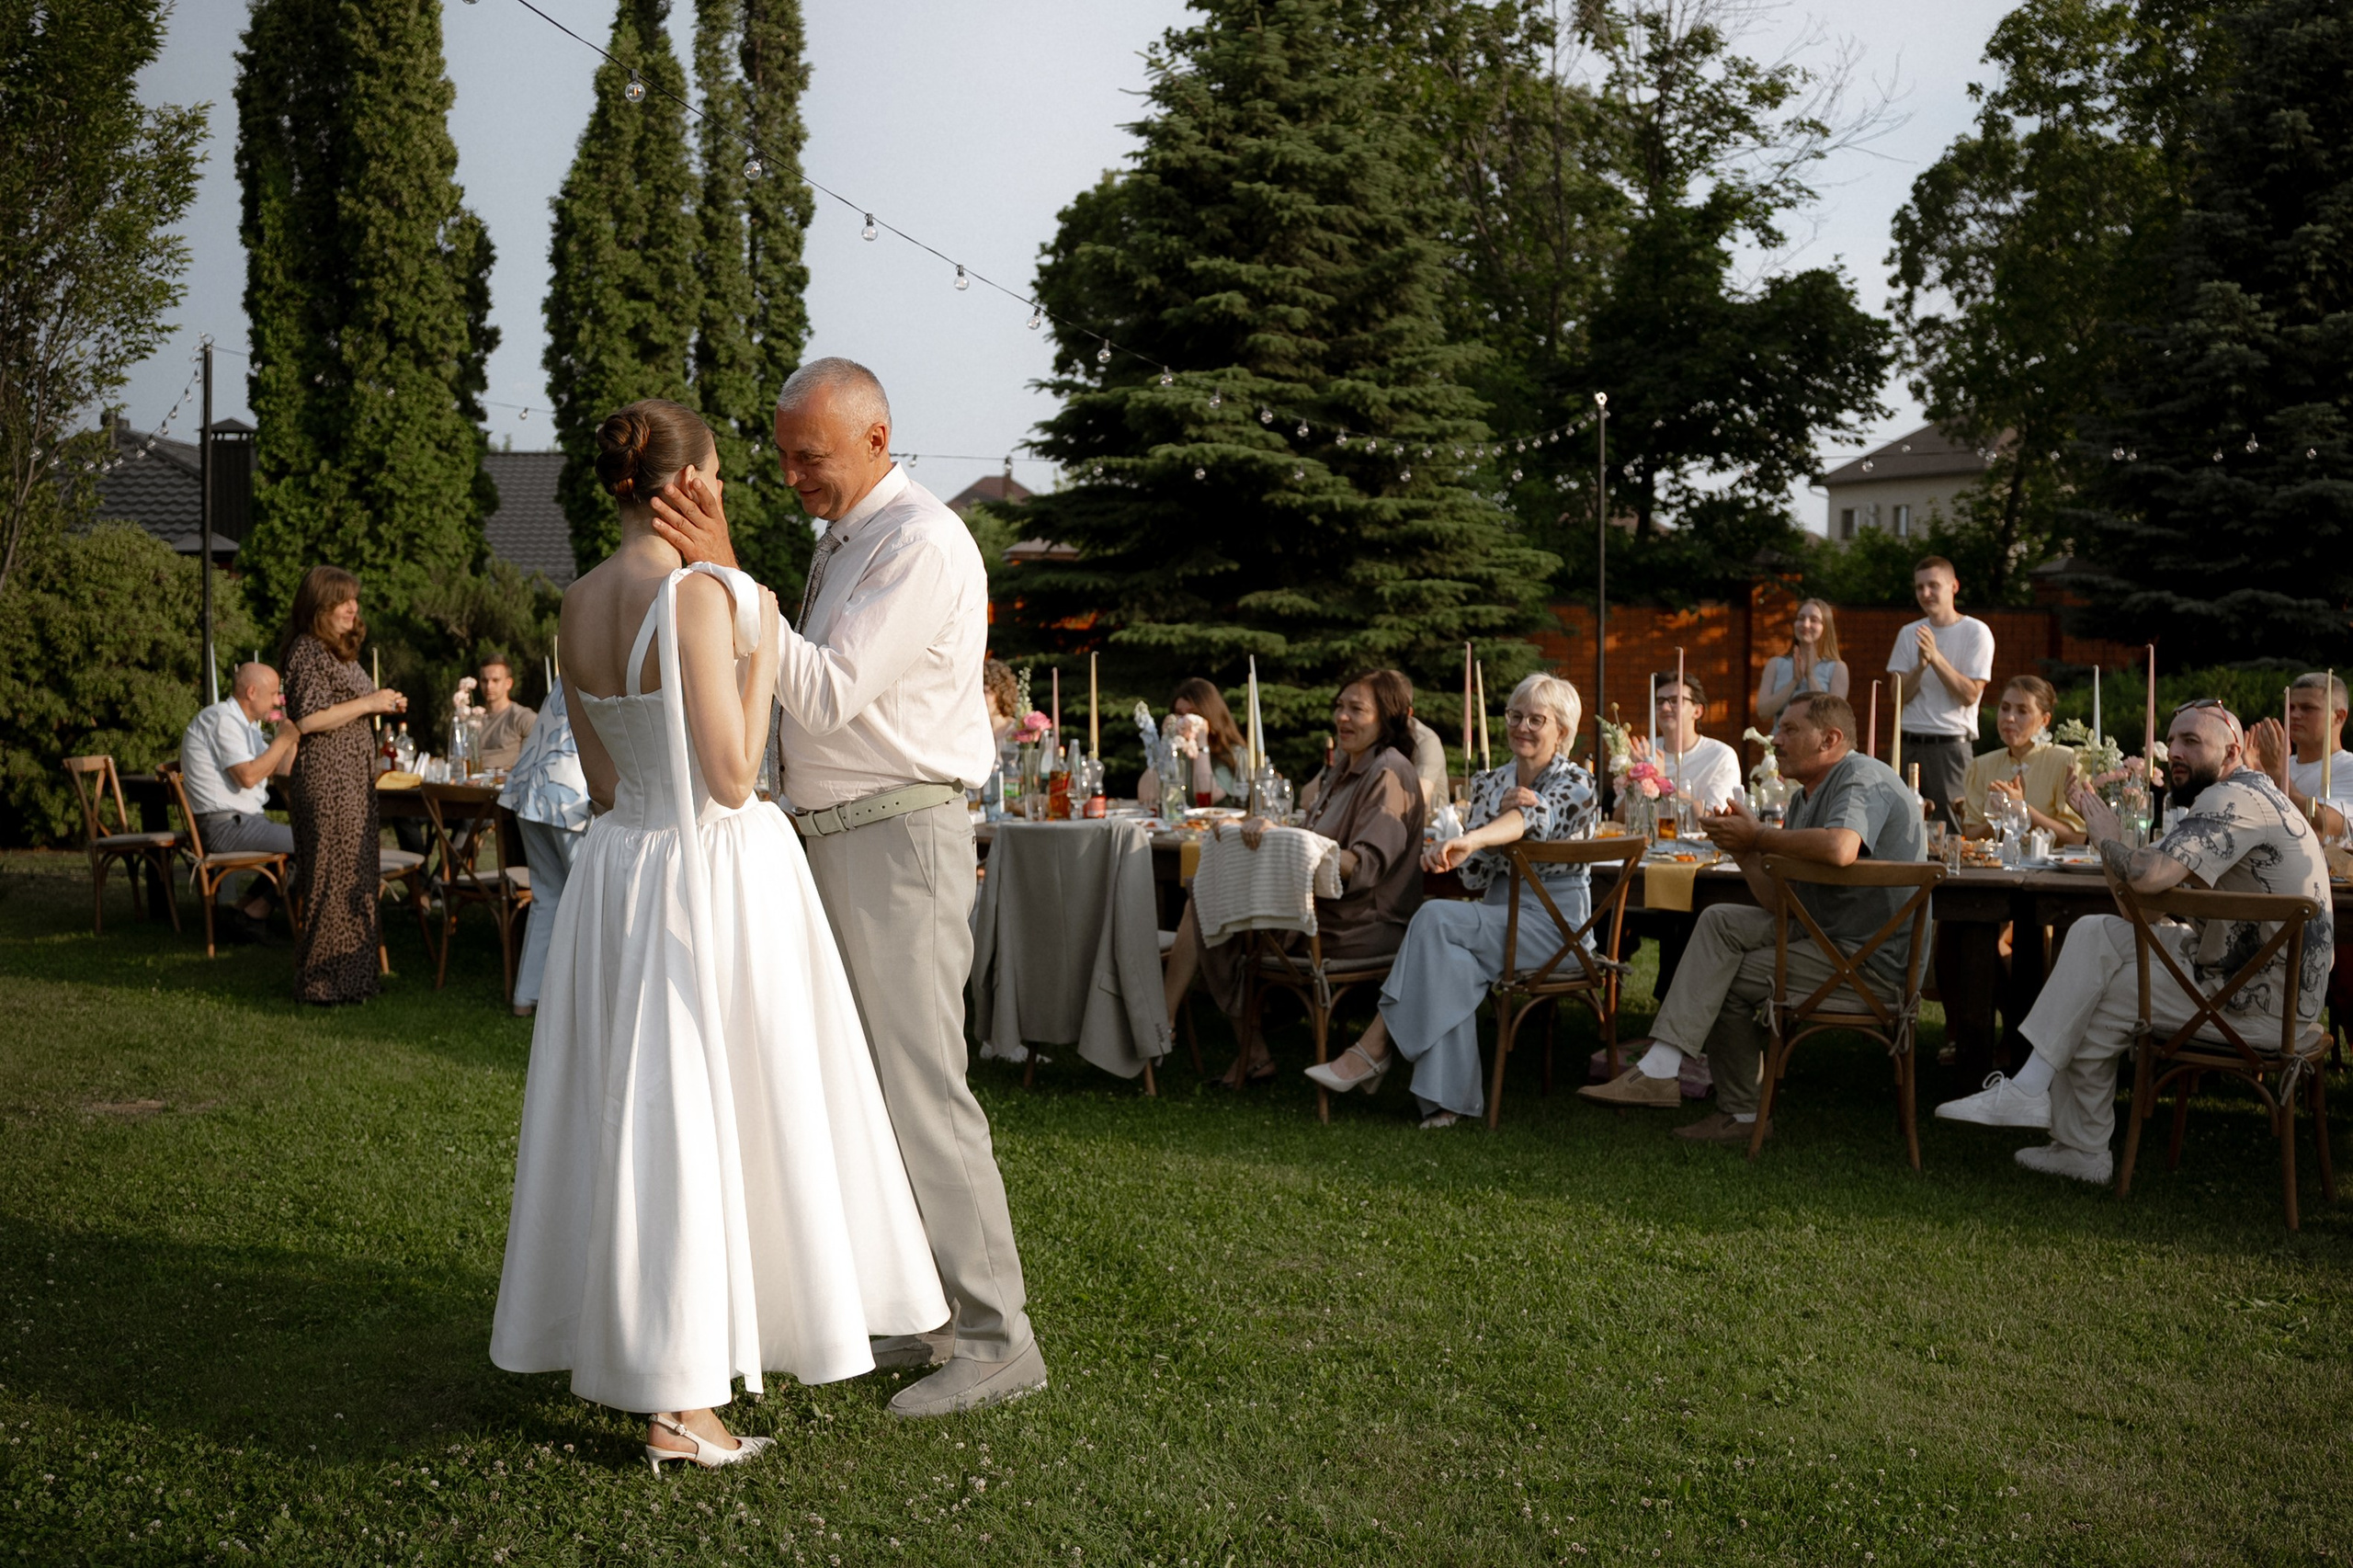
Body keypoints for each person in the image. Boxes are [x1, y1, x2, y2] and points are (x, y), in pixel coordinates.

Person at [493, 397, 946, 1468]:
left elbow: (604, 782)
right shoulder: (701, 595)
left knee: (645, 1112)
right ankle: (681, 1397)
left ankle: (667, 1363)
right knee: (710, 1109)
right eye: (723, 475)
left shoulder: (576, 603)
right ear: (691, 482)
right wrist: (760, 634)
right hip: (713, 868)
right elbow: (736, 775)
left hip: (621, 867)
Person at [646, 358, 1045, 1417]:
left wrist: (731, 578)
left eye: (808, 457)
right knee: (864, 1094)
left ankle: (998, 1336)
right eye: (782, 456)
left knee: (923, 1092)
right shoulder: (848, 537)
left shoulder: (921, 541)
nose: (790, 477)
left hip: (899, 840)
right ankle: (927, 1308)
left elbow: (821, 694)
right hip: (837, 837)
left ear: (876, 438)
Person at [1936, 700, 2332, 1183]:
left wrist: (2108, 837)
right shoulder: (2245, 797)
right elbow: (2137, 910)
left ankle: (2072, 1140)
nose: (2176, 752)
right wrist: (2108, 841)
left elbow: (2147, 876)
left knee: (2094, 997)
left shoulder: (2232, 799)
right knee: (2095, 933)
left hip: (2257, 1006)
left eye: (2192, 741)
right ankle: (2036, 1097)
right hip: (2256, 987)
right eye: (2174, 740)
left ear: (2232, 752)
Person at [1580, 693, 1927, 1143]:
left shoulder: (1861, 776)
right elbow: (1780, 904)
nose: (1775, 740)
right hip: (1825, 939)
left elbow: (1841, 847)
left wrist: (1759, 835)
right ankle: (1661, 1068)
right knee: (1719, 919)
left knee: (1722, 979)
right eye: (1778, 730)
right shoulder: (1805, 799)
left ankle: (1739, 1114)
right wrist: (1744, 851)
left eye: (1790, 730)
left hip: (1869, 962)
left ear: (1831, 739)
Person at [1305, 673, 1597, 1127]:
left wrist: (1477, 837)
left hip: (1558, 930)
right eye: (1515, 715)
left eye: (1536, 720)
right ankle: (1447, 1104)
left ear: (1562, 731)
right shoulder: (1490, 782)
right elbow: (1475, 878)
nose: (1521, 726)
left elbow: (1534, 822)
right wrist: (1463, 852)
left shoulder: (1577, 782)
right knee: (1449, 962)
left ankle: (1373, 1048)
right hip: (1497, 920)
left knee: (1435, 919)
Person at [1162, 669, 1428, 1087]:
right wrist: (1260, 829)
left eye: (1357, 709)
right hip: (1322, 912)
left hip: (1362, 924)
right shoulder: (1344, 767)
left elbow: (1364, 867)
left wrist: (1289, 838)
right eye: (1340, 706)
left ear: (1388, 718)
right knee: (1211, 896)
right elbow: (1312, 837)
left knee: (1212, 905)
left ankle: (1180, 1028)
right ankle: (1196, 1031)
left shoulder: (1390, 772)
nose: (1342, 717)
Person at [278, 566, 407, 1004]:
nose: (353, 608)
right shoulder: (307, 652)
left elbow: (349, 707)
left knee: (355, 875)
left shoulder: (337, 653)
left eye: (354, 599)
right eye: (343, 601)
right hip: (328, 781)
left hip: (351, 781)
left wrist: (385, 703)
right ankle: (321, 985)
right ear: (320, 606)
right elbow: (308, 719)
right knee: (331, 881)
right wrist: (370, 702)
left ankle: (353, 981)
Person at [178, 660, 300, 939]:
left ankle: (243, 912)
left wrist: (291, 739)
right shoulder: (222, 719)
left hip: (243, 822)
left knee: (307, 840)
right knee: (314, 842)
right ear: (252, 692)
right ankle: (255, 915)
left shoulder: (247, 726)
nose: (278, 701)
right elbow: (247, 776)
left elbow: (279, 771)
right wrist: (282, 740)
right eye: (274, 693)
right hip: (224, 826)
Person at [496, 680, 589, 1017]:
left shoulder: (571, 665)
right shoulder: (612, 658)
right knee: (588, 900)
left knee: (547, 897)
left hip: (531, 786)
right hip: (568, 793)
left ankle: (526, 995)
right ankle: (585, 1000)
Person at [1885, 555, 1993, 826]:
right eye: (1919, 587)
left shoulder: (1976, 632)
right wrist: (1920, 667)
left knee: (1952, 827)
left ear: (1954, 586)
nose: (1925, 593)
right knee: (1900, 826)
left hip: (1949, 747)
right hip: (1907, 744)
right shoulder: (1908, 633)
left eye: (1933, 585)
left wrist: (1935, 657)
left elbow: (1969, 695)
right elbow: (1897, 697)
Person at [1957, 676, 2085, 845]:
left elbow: (2076, 838)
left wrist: (2021, 808)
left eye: (2022, 711)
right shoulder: (1981, 766)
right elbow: (1971, 835)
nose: (2009, 718)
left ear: (2044, 720)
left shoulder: (2066, 761)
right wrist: (2001, 816)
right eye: (2005, 708)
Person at [1616, 673, 1742, 820]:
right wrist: (1639, 778)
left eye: (1675, 701)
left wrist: (1661, 780)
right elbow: (1618, 819)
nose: (1665, 707)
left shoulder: (1720, 756)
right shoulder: (1644, 751)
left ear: (1697, 711)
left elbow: (1714, 819)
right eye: (1660, 701)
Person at [2246, 671, 2353, 838]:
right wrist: (2252, 776)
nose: (2294, 715)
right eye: (2291, 708)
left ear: (2338, 716)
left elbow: (2323, 827)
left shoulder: (2348, 767)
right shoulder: (2277, 764)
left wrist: (2278, 774)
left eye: (2307, 708)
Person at [1138, 676, 1245, 804]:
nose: (1185, 721)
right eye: (1179, 714)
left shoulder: (1233, 753)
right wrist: (1166, 742)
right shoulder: (1178, 752)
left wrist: (1201, 742)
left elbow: (1206, 797)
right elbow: (1146, 795)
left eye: (1192, 714)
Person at [1755, 599, 1849, 724]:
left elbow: (1833, 717)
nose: (1805, 624)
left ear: (1826, 626)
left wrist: (1810, 677)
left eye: (1814, 620)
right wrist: (1794, 681)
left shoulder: (1837, 668)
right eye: (1801, 618)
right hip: (1780, 736)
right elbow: (1763, 713)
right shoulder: (1775, 664)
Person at [472, 654, 536, 771]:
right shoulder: (473, 720)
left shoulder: (523, 718)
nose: (489, 686)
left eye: (495, 680)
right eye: (484, 681)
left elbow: (532, 763)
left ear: (508, 683)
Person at [983, 656, 1019, 745]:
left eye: (986, 692)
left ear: (1000, 694)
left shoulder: (1015, 730)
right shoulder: (975, 731)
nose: (982, 697)